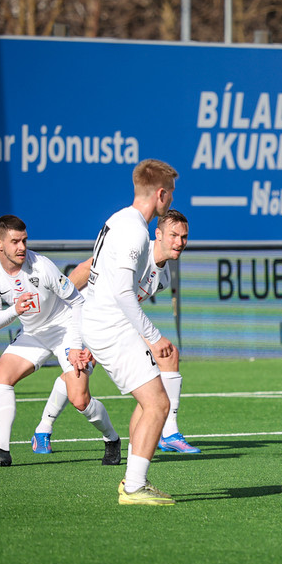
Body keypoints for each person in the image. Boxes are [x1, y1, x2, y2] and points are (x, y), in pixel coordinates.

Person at [32, 210, 198, 454]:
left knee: (168, 354)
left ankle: (168, 431)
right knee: (79, 393)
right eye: (174, 235)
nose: (179, 242)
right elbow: (87, 267)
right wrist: (60, 305)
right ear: (158, 234)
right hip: (83, 316)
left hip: (110, 324)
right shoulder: (138, 248)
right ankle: (44, 428)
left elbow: (129, 304)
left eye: (184, 237)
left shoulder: (162, 278)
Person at [0, 215, 121, 467]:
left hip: (65, 328)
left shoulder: (42, 266)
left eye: (24, 240)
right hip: (33, 333)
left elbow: (77, 302)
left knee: (80, 399)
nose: (22, 247)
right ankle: (0, 449)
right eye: (15, 242)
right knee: (0, 377)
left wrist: (76, 346)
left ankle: (112, 439)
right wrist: (15, 310)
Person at [82, 159, 179, 506]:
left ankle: (135, 481)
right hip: (111, 326)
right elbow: (124, 293)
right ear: (161, 194)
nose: (171, 200)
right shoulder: (134, 231)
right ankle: (134, 487)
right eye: (171, 193)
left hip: (103, 322)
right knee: (158, 404)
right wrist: (153, 336)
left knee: (150, 404)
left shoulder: (119, 218)